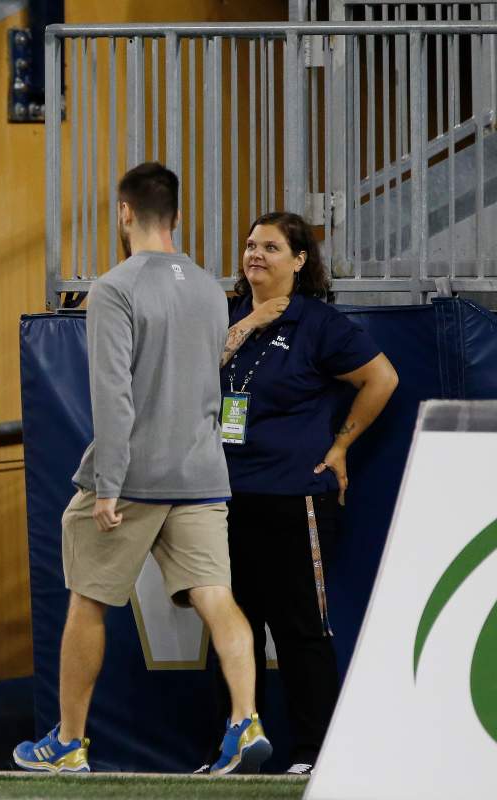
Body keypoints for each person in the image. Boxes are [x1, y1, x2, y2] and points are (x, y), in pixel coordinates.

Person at [12, 162, 270, 775]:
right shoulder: (212, 289)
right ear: (176, 216)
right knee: (217, 597)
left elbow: (113, 394)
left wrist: (109, 484)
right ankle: (246, 719)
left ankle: (69, 742)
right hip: (203, 473)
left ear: (124, 213)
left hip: (130, 479)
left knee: (87, 602)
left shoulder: (115, 287)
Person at [208, 211, 398, 775]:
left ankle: (315, 754)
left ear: (299, 260)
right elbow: (193, 375)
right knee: (231, 628)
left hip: (293, 497)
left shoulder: (318, 322)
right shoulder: (225, 316)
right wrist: (248, 323)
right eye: (248, 245)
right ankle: (234, 749)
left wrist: (340, 447)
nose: (255, 255)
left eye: (270, 246)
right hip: (222, 496)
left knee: (300, 631)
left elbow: (381, 379)